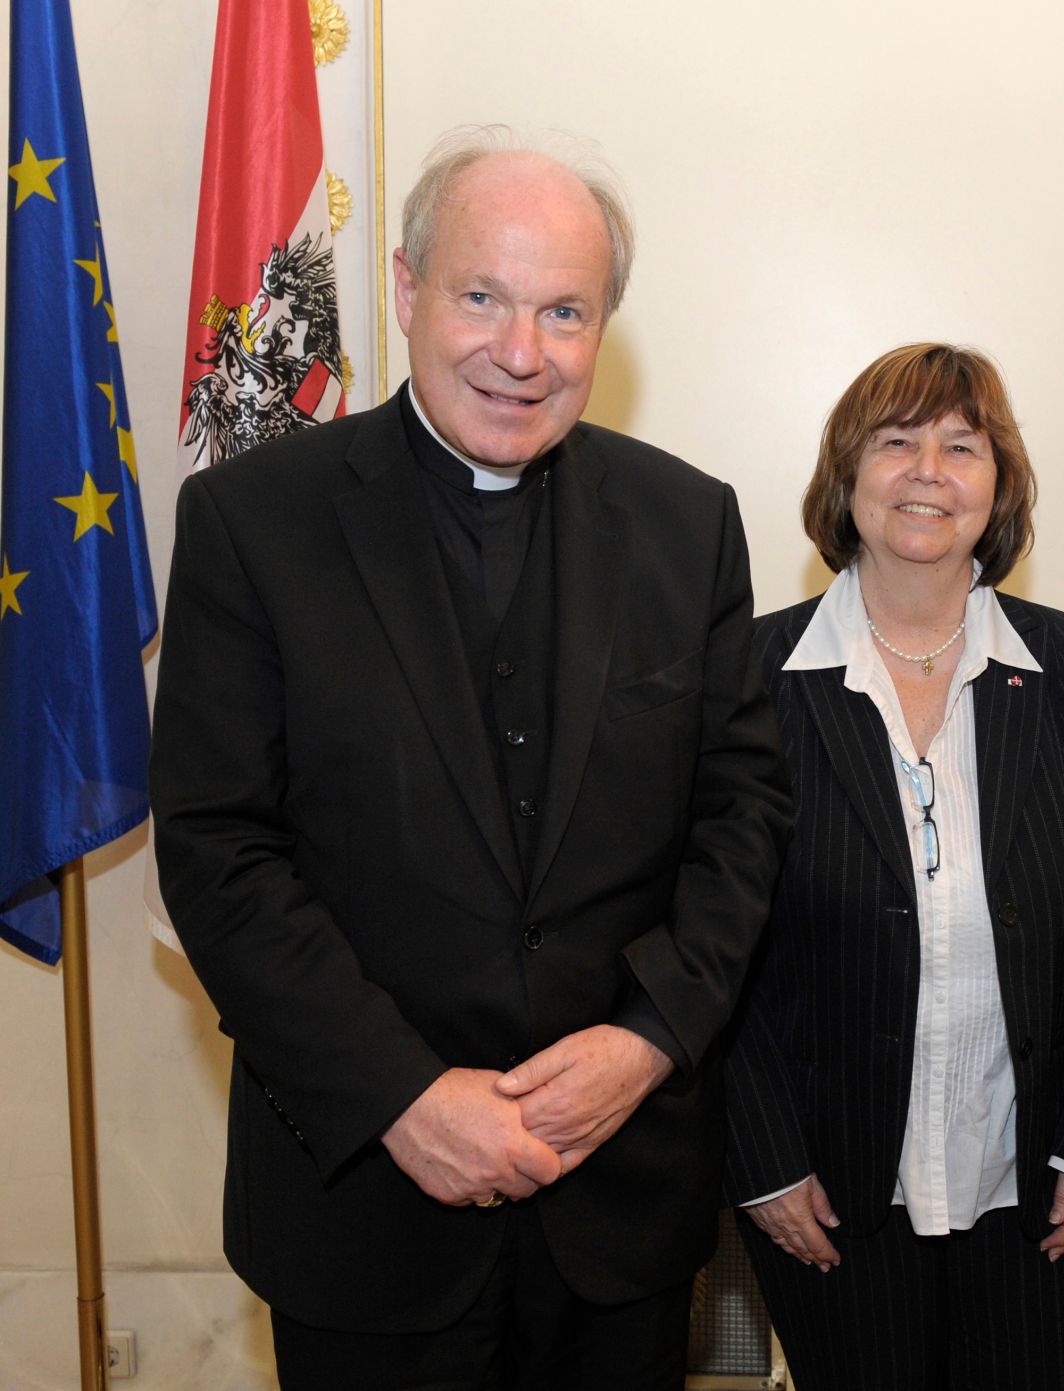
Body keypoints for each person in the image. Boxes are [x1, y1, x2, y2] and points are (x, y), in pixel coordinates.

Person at [149, 128, 792, 1389]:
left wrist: (648, 1037)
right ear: (405, 289)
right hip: (363, 1205)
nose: (521, 350)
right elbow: (220, 847)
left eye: (564, 311)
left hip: (620, 1202)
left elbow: (743, 813)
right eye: (482, 296)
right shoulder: (252, 520)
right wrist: (400, 1095)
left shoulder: (688, 523)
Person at [723, 343, 1064, 1391]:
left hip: (1042, 1188)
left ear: (998, 485)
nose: (928, 470)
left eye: (962, 446)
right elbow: (708, 935)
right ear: (846, 473)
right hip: (827, 1190)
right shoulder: (750, 675)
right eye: (896, 441)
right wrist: (762, 1155)